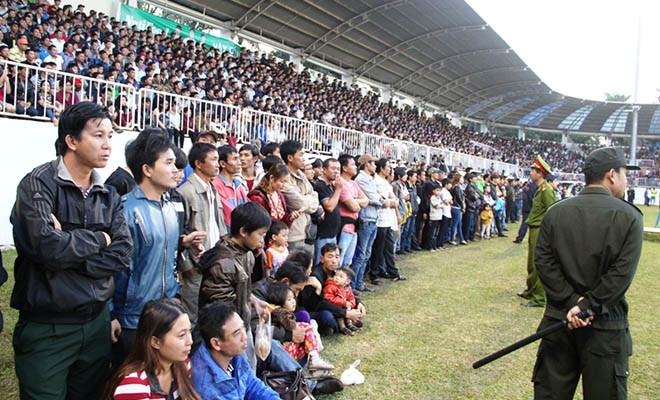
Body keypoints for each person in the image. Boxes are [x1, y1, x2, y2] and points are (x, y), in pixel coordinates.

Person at [10, 102, 132, 400]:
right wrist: (99, 240)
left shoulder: (108, 193)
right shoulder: (38, 185)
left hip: (96, 323)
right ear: (72, 140)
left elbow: (122, 252)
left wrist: (71, 249)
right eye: (99, 135)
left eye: (110, 136)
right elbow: (47, 248)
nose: (107, 145)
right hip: (48, 326)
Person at [532, 147, 643, 399]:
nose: (626, 180)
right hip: (604, 327)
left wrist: (573, 304)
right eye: (625, 174)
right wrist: (586, 306)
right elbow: (620, 276)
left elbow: (545, 263)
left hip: (559, 321)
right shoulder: (629, 217)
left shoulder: (556, 212)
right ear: (612, 175)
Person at [197, 202, 273, 369]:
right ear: (243, 231)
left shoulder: (247, 255)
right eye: (260, 235)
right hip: (226, 334)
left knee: (248, 368)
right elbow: (220, 310)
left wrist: (254, 301)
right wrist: (236, 334)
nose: (262, 240)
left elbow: (241, 286)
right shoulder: (222, 263)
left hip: (241, 325)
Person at [106, 298, 200, 400]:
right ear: (155, 342)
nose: (190, 341)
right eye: (181, 335)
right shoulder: (134, 386)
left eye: (189, 331)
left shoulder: (184, 366)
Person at [176, 142, 227, 327]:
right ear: (198, 163)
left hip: (214, 263)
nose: (217, 163)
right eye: (213, 159)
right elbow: (179, 233)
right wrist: (187, 265)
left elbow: (218, 225)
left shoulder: (212, 189)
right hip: (196, 267)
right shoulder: (185, 192)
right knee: (192, 317)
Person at [191, 302, 280, 400]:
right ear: (216, 343)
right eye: (236, 333)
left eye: (243, 327)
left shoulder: (235, 354)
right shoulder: (205, 386)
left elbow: (252, 385)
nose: (245, 337)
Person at [267, 282, 334, 369]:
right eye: (289, 300)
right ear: (280, 301)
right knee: (305, 327)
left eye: (293, 298)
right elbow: (289, 326)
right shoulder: (279, 314)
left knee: (306, 327)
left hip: (289, 350)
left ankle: (313, 358)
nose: (293, 302)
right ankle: (314, 357)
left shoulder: (286, 313)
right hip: (285, 350)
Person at [519, 156, 556, 307]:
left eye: (533, 170)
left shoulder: (546, 191)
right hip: (534, 228)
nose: (531, 173)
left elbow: (552, 212)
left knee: (538, 263)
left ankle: (539, 297)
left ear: (540, 173)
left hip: (541, 230)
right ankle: (530, 290)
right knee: (531, 263)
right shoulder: (540, 189)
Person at [337, 154, 368, 267]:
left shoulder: (353, 183)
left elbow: (366, 201)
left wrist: (355, 200)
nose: (356, 167)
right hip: (343, 227)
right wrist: (356, 202)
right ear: (344, 168)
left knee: (348, 261)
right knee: (339, 260)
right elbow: (353, 207)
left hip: (353, 227)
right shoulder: (341, 183)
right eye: (353, 164)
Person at [312, 157, 344, 265]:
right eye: (333, 168)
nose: (336, 172)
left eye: (338, 169)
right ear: (324, 170)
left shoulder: (331, 186)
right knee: (322, 265)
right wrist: (339, 189)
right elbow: (329, 207)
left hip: (332, 233)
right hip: (323, 234)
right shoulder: (320, 186)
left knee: (331, 265)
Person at [213, 145, 247, 229]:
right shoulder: (215, 185)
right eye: (235, 159)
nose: (239, 162)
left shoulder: (239, 185)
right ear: (223, 164)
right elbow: (228, 213)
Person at [323, 267, 362, 336]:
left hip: (345, 306)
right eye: (336, 275)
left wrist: (351, 303)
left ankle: (350, 323)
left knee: (351, 308)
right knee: (340, 313)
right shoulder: (330, 286)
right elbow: (328, 298)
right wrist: (343, 303)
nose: (337, 278)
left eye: (341, 277)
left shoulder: (347, 288)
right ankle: (342, 327)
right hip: (335, 308)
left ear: (347, 281)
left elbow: (351, 297)